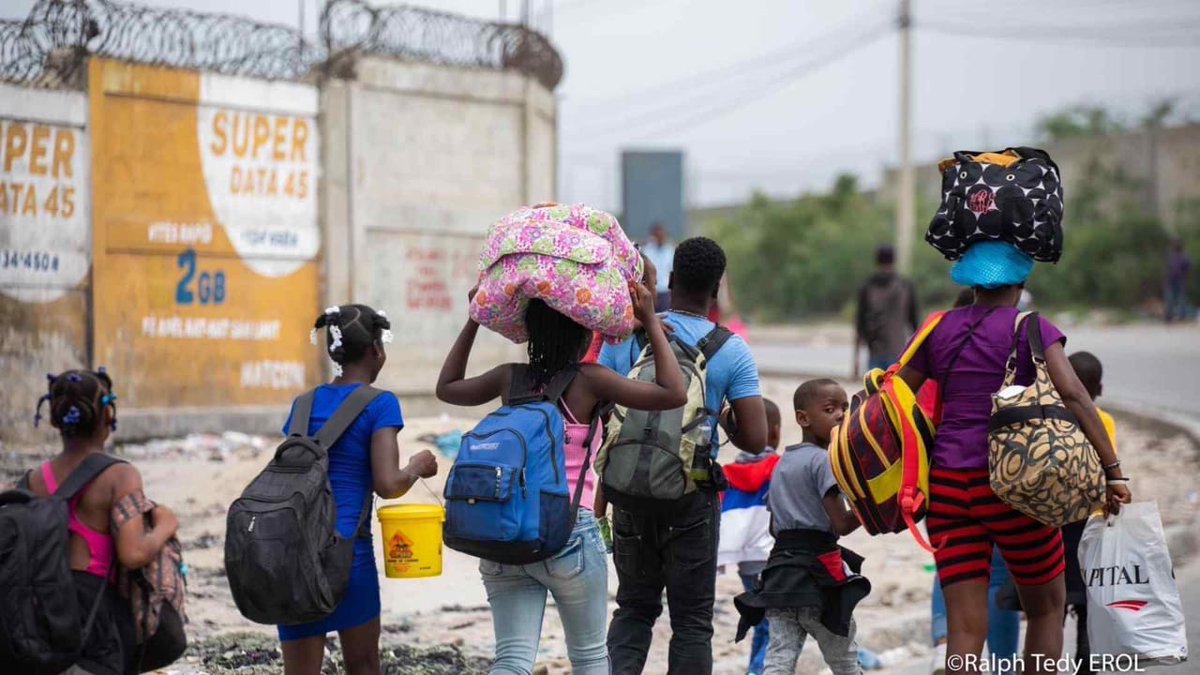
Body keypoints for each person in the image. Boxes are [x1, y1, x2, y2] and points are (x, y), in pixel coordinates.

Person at [897, 240, 1131, 675]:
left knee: (964, 629)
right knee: (1046, 608)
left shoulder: (938, 328)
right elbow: (1077, 397)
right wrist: (1112, 471)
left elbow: (895, 395)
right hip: (1012, 485)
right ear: (1022, 281)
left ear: (969, 282)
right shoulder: (1031, 327)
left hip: (947, 484)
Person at [436, 279, 687, 675]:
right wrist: (651, 322)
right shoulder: (589, 380)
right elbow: (673, 393)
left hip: (506, 529)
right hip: (568, 532)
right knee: (588, 658)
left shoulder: (510, 377)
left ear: (532, 333)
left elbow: (447, 388)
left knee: (512, 660)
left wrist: (474, 320)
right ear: (583, 332)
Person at [599, 236, 767, 675]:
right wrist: (722, 415)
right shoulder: (731, 350)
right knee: (692, 621)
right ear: (716, 291)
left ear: (671, 280)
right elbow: (755, 438)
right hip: (691, 496)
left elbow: (602, 410)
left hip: (629, 492)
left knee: (633, 609)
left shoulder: (627, 339)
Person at [280, 305, 439, 675]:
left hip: (294, 552)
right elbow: (388, 484)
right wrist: (417, 467)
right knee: (363, 665)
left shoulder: (302, 405)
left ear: (334, 351)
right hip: (349, 554)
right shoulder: (380, 403)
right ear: (376, 351)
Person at [26, 368, 180, 675]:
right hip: (94, 616)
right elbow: (133, 553)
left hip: (41, 613)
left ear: (56, 420)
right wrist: (166, 524)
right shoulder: (119, 476)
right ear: (108, 415)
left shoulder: (32, 480)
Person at [735, 379, 867, 675]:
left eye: (845, 409)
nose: (841, 416)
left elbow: (774, 527)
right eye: (830, 409)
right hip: (820, 579)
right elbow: (841, 524)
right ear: (803, 418)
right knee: (844, 660)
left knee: (779, 660)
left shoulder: (782, 463)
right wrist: (872, 505)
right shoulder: (824, 461)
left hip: (780, 579)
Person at [926, 287, 1019, 675]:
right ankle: (1004, 664)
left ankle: (944, 643)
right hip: (1002, 474)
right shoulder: (1012, 338)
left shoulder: (935, 339)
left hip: (943, 476)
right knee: (999, 573)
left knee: (954, 569)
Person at [1060, 351, 1118, 675]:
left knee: (1052, 607)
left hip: (1055, 525)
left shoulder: (1049, 419)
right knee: (1088, 610)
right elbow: (1110, 473)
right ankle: (1086, 666)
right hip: (1090, 527)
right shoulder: (1103, 420)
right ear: (1099, 389)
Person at [718, 399, 783, 675]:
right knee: (775, 624)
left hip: (745, 562)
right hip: (771, 556)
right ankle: (759, 671)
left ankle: (754, 670)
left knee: (760, 620)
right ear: (776, 433)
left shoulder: (727, 473)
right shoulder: (779, 467)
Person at [854, 245, 918, 377]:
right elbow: (914, 322)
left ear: (876, 262)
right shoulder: (905, 285)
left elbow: (860, 324)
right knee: (893, 394)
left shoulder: (868, 286)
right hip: (898, 350)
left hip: (875, 350)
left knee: (874, 394)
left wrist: (856, 360)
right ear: (893, 261)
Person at [642, 222, 676, 312]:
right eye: (657, 235)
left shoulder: (670, 250)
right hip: (651, 291)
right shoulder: (647, 250)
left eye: (661, 235)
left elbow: (673, 271)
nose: (659, 237)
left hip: (665, 292)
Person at [1165, 236, 1192, 322]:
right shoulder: (1170, 254)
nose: (1174, 245)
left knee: (1181, 299)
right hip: (1170, 280)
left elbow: (1187, 267)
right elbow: (1167, 267)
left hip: (1180, 280)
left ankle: (1182, 316)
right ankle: (1169, 317)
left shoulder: (1184, 255)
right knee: (1169, 298)